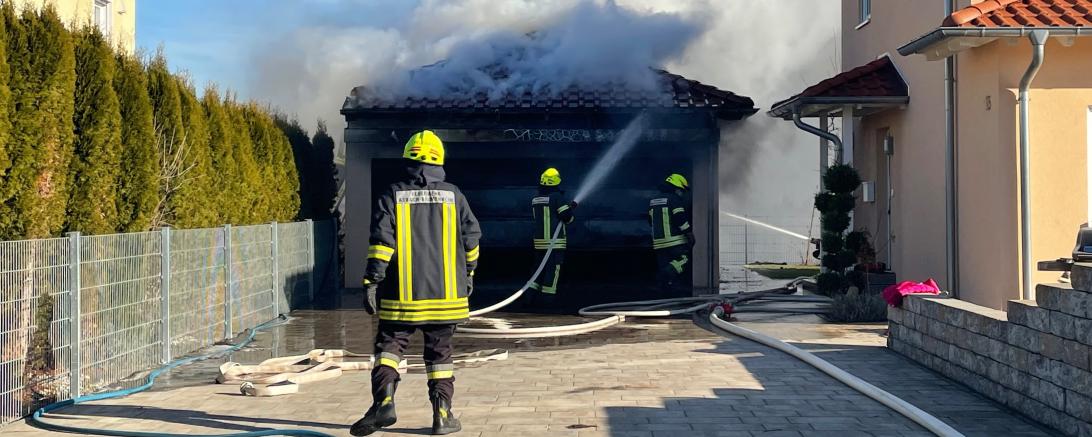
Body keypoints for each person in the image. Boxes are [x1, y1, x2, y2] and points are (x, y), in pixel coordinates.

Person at [352, 130, 481, 436]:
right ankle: (442, 414)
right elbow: (472, 239)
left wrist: (372, 280)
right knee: (440, 354)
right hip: (447, 295)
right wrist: (469, 273)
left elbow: (382, 243)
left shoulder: (392, 195)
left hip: (402, 296)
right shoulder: (455, 195)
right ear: (440, 161)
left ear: (408, 159)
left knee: (390, 346)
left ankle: (384, 403)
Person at [528, 167, 577, 308]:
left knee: (537, 271)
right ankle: (547, 302)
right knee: (552, 271)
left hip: (539, 242)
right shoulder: (556, 197)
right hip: (554, 243)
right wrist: (571, 209)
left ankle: (529, 298)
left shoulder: (536, 199)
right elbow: (566, 217)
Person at [649, 173, 693, 295]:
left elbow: (650, 220)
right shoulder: (674, 199)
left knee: (664, 266)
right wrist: (689, 234)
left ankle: (666, 293)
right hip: (674, 241)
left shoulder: (653, 201)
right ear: (676, 188)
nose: (682, 193)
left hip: (658, 242)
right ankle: (667, 273)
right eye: (682, 190)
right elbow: (680, 218)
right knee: (684, 259)